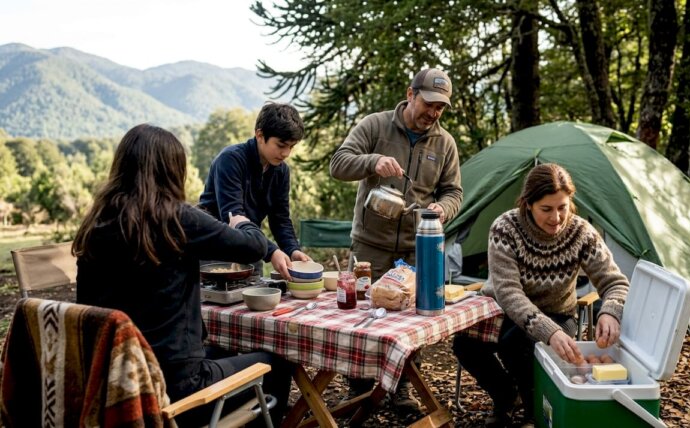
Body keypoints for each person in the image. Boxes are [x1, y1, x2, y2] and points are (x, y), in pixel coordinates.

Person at [73, 124, 292, 427]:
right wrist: (242, 222)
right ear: (172, 170)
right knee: (276, 364)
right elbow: (253, 248)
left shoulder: (96, 222)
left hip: (113, 381)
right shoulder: (176, 219)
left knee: (222, 348)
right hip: (175, 390)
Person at [452, 163, 630, 428]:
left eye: (563, 207)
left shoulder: (582, 233)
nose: (556, 218)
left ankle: (535, 411)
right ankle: (505, 395)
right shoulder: (505, 228)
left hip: (559, 315)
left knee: (518, 344)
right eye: (546, 209)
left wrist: (610, 311)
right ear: (527, 204)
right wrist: (548, 331)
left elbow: (615, 281)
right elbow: (509, 292)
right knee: (465, 344)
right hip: (503, 310)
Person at [329, 68, 463, 411]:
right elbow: (338, 164)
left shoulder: (444, 143)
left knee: (410, 322)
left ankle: (401, 390)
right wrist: (373, 162)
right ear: (410, 94)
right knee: (359, 317)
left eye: (440, 108)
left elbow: (454, 192)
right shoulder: (375, 125)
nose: (433, 113)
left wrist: (442, 208)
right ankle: (357, 391)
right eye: (429, 104)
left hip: (415, 246)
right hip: (369, 245)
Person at [198, 102, 310, 281]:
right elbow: (233, 216)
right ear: (259, 135)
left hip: (249, 249)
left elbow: (280, 219)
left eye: (291, 146)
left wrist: (292, 249)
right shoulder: (230, 160)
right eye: (281, 145)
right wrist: (272, 251)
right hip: (213, 253)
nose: (286, 153)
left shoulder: (281, 171)